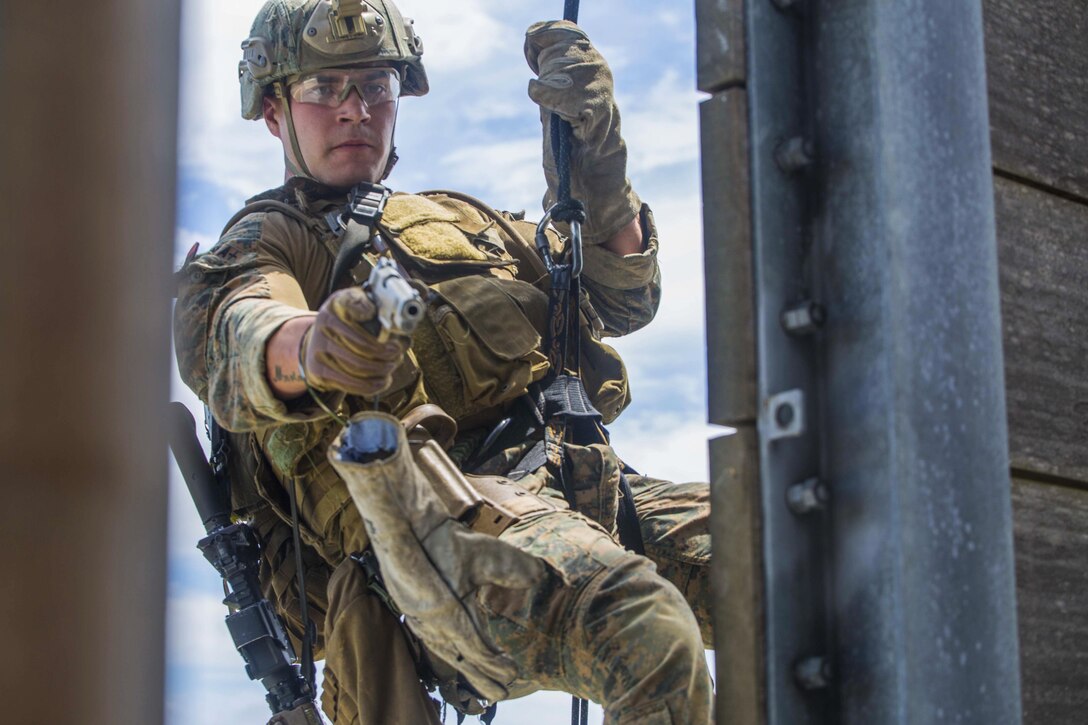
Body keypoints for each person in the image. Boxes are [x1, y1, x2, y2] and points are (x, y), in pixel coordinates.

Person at [174, 1, 713, 722]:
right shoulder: (270, 238)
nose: (355, 110)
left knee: (802, 548)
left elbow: (623, 298)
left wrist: (597, 156)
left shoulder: (459, 220)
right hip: (430, 530)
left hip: (585, 488)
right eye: (324, 90)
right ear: (275, 112)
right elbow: (236, 325)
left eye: (373, 84)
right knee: (645, 629)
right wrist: (314, 345)